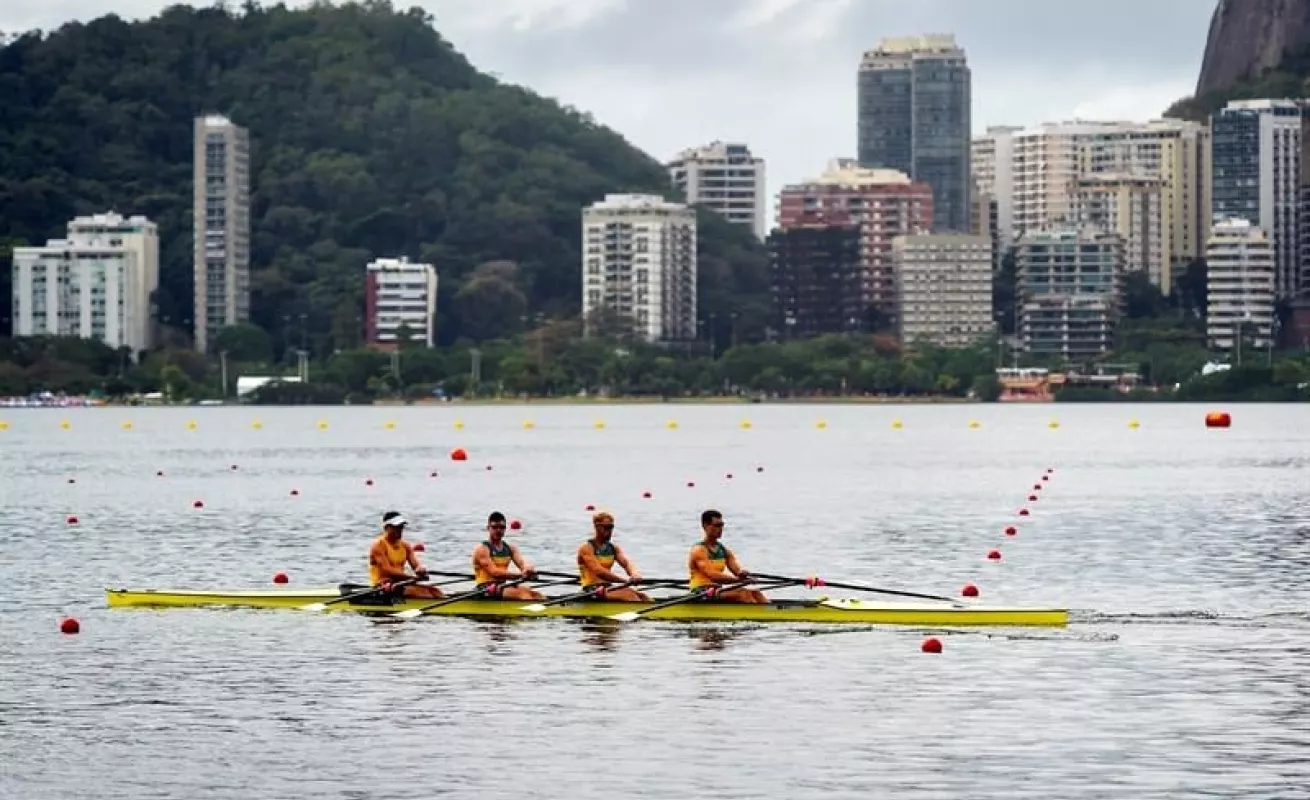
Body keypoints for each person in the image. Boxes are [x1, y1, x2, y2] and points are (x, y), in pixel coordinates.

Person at [687, 509, 768, 604]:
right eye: (717, 525)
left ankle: (773, 613)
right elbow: (713, 576)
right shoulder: (699, 550)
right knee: (743, 593)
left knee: (755, 592)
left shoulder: (724, 551)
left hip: (716, 590)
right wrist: (739, 580)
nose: (721, 529)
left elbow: (737, 572)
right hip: (701, 592)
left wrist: (743, 575)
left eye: (722, 525)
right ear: (705, 526)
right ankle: (758, 616)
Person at [576, 511, 651, 602]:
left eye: (611, 527)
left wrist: (634, 574)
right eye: (606, 527)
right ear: (597, 527)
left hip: (607, 587)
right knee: (629, 595)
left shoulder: (613, 548)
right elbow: (599, 572)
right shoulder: (586, 548)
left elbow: (626, 563)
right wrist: (624, 581)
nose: (609, 531)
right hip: (591, 589)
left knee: (643, 596)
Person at [471, 511, 545, 601]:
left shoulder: (510, 548)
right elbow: (495, 572)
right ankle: (530, 612)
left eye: (502, 527)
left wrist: (529, 570)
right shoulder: (482, 549)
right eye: (494, 527)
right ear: (488, 528)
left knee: (536, 594)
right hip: (485, 589)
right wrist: (520, 575)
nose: (498, 530)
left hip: (501, 587)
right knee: (523, 594)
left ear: (505, 528)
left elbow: (522, 564)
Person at [369, 511, 444, 599]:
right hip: (383, 586)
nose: (400, 530)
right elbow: (388, 570)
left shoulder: (405, 546)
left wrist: (421, 570)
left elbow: (416, 566)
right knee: (419, 593)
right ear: (386, 527)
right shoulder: (378, 545)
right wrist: (410, 577)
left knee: (435, 591)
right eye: (396, 527)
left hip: (400, 582)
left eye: (401, 527)